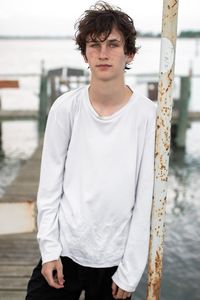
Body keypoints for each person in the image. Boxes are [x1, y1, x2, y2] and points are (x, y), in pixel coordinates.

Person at [26, 1, 157, 299]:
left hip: (114, 259)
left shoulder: (148, 116)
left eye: (113, 44)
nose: (103, 53)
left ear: (129, 53)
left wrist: (131, 270)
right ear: (84, 53)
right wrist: (49, 251)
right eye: (94, 44)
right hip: (66, 250)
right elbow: (49, 187)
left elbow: (145, 198)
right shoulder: (65, 108)